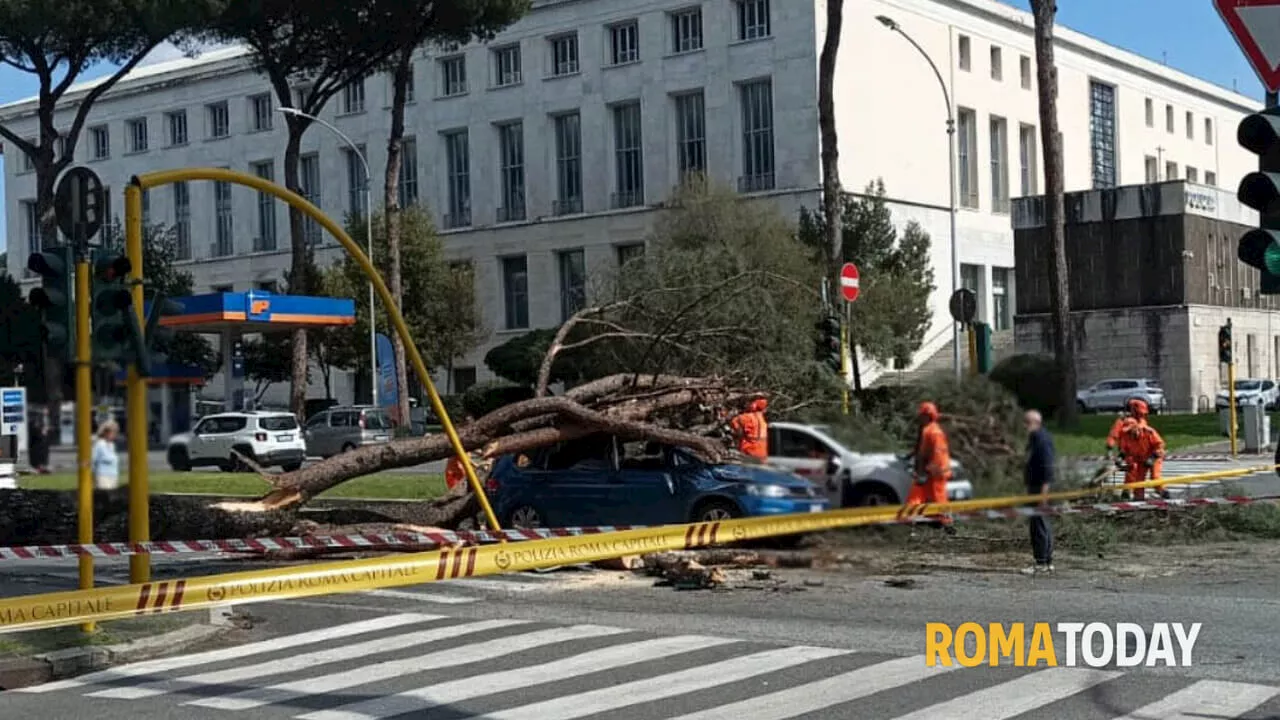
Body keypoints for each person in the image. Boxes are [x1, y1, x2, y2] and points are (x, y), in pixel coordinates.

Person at [907, 401, 954, 532]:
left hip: (935, 471)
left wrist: (921, 471)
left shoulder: (928, 430)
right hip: (938, 470)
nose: (920, 418)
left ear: (927, 415)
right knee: (924, 495)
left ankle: (947, 525)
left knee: (937, 498)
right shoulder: (936, 429)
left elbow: (923, 453)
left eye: (921, 415)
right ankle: (931, 522)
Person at [1021, 410, 1055, 575]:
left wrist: (1043, 493)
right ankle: (1046, 561)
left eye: (1027, 423)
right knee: (1041, 523)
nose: (1024, 426)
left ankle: (1041, 562)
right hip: (1036, 487)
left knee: (1039, 524)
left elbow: (1047, 467)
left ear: (1035, 423)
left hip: (1040, 489)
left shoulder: (1041, 440)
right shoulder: (1036, 439)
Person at [1118, 399, 1165, 501]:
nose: (1129, 433)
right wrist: (1119, 459)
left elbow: (1160, 446)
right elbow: (1123, 450)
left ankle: (1164, 494)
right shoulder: (1126, 436)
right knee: (1138, 481)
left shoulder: (1148, 432)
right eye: (1127, 431)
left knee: (1155, 477)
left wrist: (1152, 458)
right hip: (1141, 460)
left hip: (1153, 456)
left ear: (1136, 427)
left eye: (1131, 430)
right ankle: (1138, 500)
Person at [91, 420, 121, 491]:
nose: (115, 435)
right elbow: (93, 460)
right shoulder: (99, 444)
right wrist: (92, 476)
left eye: (116, 432)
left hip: (113, 476)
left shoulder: (112, 445)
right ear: (106, 433)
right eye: (113, 432)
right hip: (103, 476)